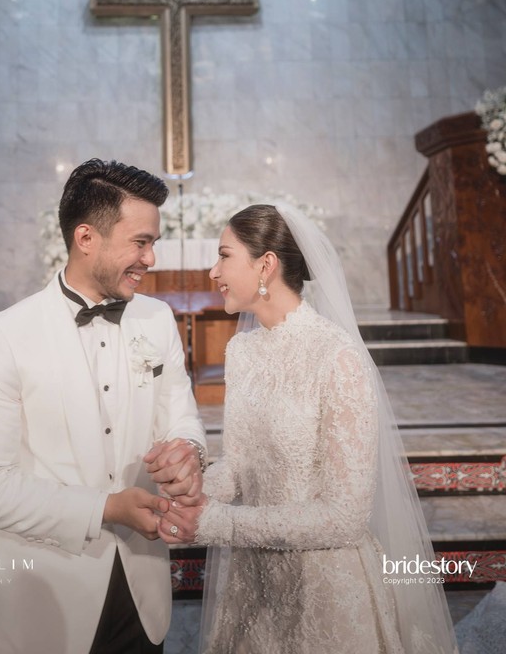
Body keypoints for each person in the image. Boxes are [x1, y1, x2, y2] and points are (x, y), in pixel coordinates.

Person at [157, 204, 459, 654]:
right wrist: (187, 494)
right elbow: (238, 467)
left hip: (324, 584)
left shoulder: (337, 357)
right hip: (253, 582)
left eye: (224, 256)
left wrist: (219, 523)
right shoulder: (241, 351)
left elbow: (345, 518)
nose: (212, 269)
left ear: (266, 264)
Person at [0, 159, 207, 654]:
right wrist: (106, 508)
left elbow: (182, 416)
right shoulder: (5, 336)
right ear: (86, 237)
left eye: (152, 242)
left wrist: (191, 454)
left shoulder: (157, 320)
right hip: (42, 601)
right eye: (141, 242)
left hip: (143, 591)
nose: (151, 259)